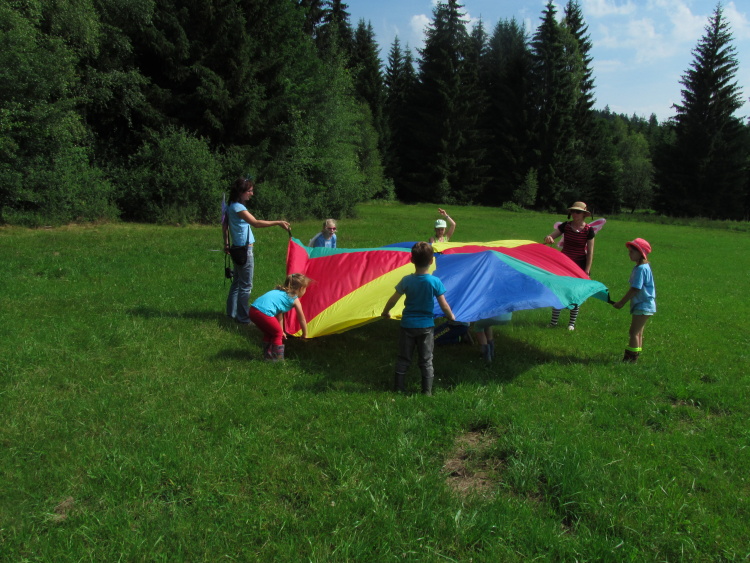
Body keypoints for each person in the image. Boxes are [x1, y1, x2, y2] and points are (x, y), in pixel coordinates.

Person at [381, 242, 455, 395]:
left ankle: (399, 388)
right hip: (426, 327)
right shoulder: (434, 282)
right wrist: (451, 317)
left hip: (407, 325)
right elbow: (444, 305)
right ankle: (426, 391)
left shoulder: (406, 280)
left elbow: (393, 299)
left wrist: (386, 312)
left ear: (412, 260)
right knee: (426, 360)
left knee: (403, 358)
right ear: (431, 261)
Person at [223, 177, 291, 324]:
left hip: (237, 248)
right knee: (246, 286)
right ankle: (243, 318)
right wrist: (278, 222)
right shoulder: (239, 208)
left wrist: (226, 244)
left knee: (237, 283)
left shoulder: (231, 205)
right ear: (241, 192)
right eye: (249, 191)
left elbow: (225, 225)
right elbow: (256, 223)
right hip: (244, 250)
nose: (252, 194)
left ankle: (231, 313)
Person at [543, 201, 597, 330]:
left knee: (575, 294)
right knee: (559, 291)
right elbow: (550, 236)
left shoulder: (589, 230)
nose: (574, 214)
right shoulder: (565, 226)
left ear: (584, 214)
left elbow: (590, 252)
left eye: (577, 212)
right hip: (563, 264)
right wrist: (548, 238)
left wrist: (587, 271)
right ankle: (553, 322)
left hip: (579, 265)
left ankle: (571, 324)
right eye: (573, 211)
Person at [612, 238, 656, 363]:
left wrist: (621, 302)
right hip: (643, 304)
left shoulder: (641, 269)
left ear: (640, 253)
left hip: (643, 305)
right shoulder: (641, 267)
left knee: (633, 332)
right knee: (638, 332)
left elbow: (635, 288)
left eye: (632, 252)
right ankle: (636, 355)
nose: (629, 254)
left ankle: (631, 358)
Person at [249, 273, 311, 361]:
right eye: (305, 289)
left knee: (269, 333)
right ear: (301, 288)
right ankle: (277, 360)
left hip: (253, 310)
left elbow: (279, 313)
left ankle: (267, 356)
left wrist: (282, 330)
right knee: (277, 334)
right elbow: (302, 319)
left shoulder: (280, 292)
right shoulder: (295, 299)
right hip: (264, 313)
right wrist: (305, 334)